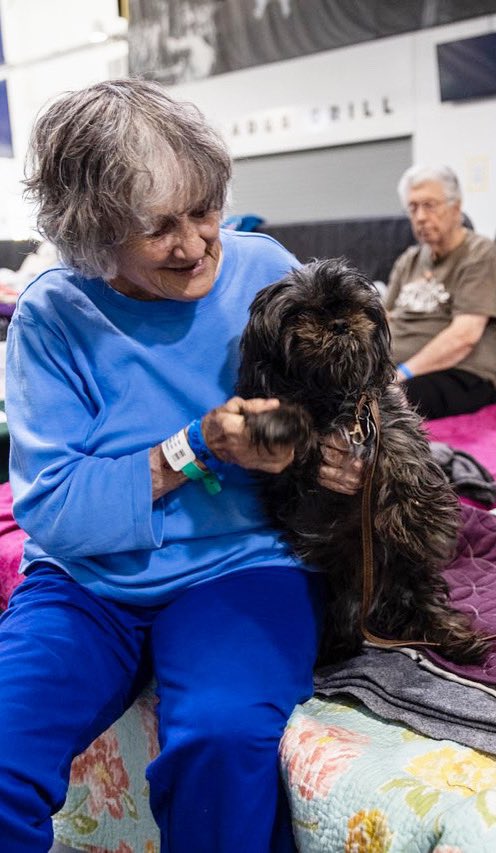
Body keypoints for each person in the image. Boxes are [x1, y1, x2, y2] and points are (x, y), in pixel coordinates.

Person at [0, 79, 362, 852]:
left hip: (240, 565)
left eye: (203, 210)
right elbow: (55, 509)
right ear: (95, 239)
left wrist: (338, 450)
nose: (197, 244)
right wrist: (191, 447)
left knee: (222, 740)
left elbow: (350, 398)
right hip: (85, 583)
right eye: (159, 228)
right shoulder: (53, 316)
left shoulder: (266, 267)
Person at [385, 164, 496, 419]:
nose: (420, 217)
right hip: (399, 371)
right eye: (413, 207)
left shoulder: (480, 254)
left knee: (384, 402)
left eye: (429, 205)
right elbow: (383, 320)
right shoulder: (408, 260)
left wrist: (402, 374)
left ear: (456, 207)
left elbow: (464, 337)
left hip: (460, 375)